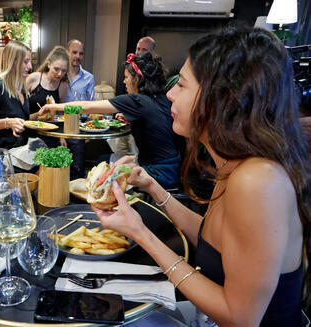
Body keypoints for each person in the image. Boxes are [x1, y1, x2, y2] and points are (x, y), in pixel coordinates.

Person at [96, 27, 310, 326]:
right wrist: (153, 187)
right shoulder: (235, 162)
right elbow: (214, 240)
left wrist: (140, 233)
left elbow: (240, 318)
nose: (169, 93)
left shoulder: (258, 180)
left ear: (222, 98)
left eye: (182, 85)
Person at [41, 51, 181, 189]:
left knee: (100, 171)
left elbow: (86, 106)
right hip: (174, 168)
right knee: (103, 160)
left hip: (158, 173)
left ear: (136, 79)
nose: (124, 81)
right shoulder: (161, 97)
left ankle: (107, 205)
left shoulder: (137, 100)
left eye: (126, 77)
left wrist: (52, 106)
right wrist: (133, 119)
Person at [26, 46, 69, 148]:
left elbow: (60, 114)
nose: (59, 74)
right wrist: (39, 114)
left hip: (50, 135)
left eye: (63, 71)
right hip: (29, 133)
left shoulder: (63, 86)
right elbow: (19, 108)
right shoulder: (34, 78)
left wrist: (61, 137)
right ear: (49, 64)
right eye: (56, 69)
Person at [64, 39, 95, 179]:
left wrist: (88, 132)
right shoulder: (60, 74)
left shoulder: (89, 78)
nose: (77, 56)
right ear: (67, 53)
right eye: (74, 52)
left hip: (79, 128)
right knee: (60, 169)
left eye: (81, 53)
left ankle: (76, 198)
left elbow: (91, 105)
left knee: (78, 168)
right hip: (60, 127)